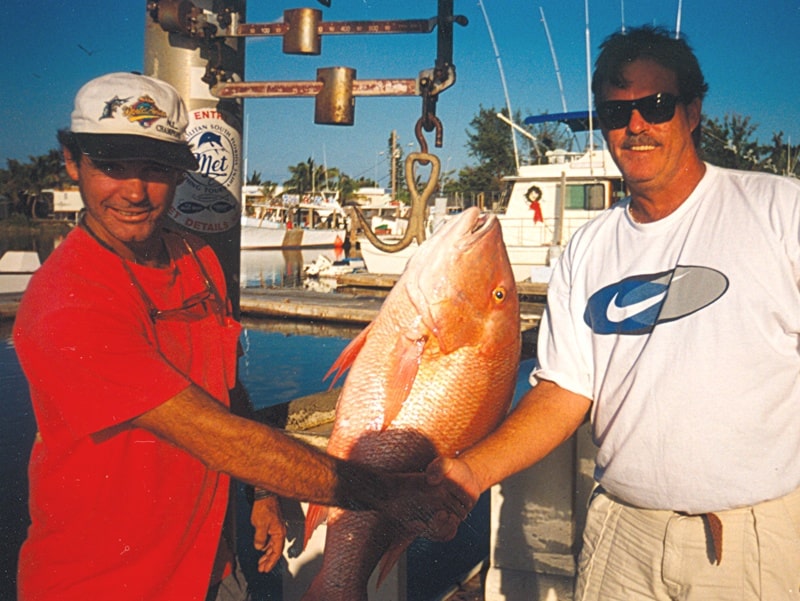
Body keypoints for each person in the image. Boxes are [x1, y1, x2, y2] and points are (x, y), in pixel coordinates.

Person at [13, 72, 466, 601]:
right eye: (111, 166)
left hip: (212, 568)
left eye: (156, 168)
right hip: (100, 585)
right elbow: (215, 436)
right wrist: (385, 493)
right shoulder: (68, 302)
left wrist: (261, 492)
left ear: (181, 172)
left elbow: (225, 392)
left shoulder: (196, 258)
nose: (134, 192)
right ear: (72, 161)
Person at [427, 25, 800, 599]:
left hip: (754, 540)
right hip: (619, 536)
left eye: (656, 105)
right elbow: (564, 392)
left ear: (693, 110)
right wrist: (471, 473)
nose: (636, 125)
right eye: (616, 111)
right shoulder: (587, 248)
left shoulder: (780, 211)